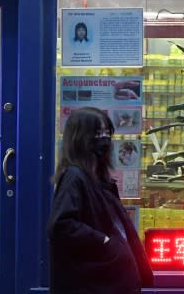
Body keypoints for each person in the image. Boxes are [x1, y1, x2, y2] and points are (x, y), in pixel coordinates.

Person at [48, 107, 153, 294]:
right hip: (91, 285)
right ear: (81, 138)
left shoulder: (99, 179)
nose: (104, 139)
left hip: (105, 283)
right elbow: (61, 225)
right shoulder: (75, 177)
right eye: (98, 133)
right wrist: (104, 241)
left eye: (107, 133)